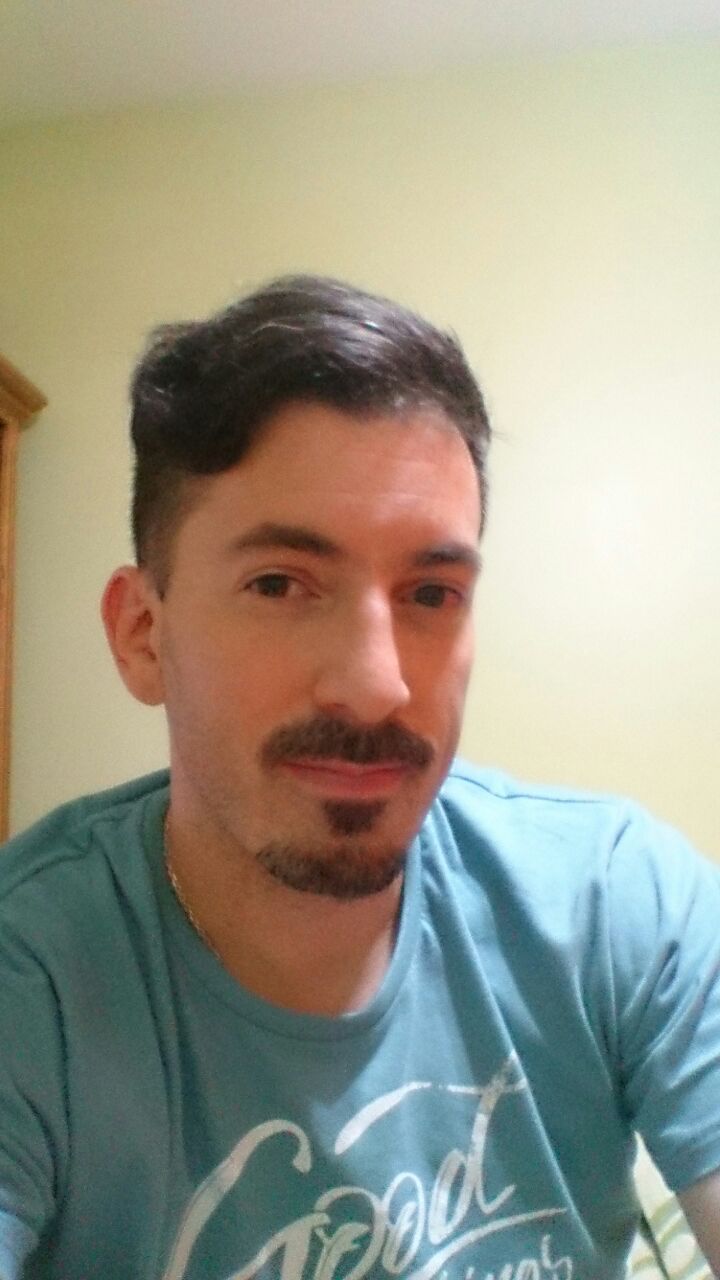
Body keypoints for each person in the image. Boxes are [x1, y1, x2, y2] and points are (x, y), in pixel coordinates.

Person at [0, 276, 718, 1280]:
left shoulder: (618, 901)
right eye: (280, 583)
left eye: (432, 592)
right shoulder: (30, 974)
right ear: (142, 633)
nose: (379, 685)